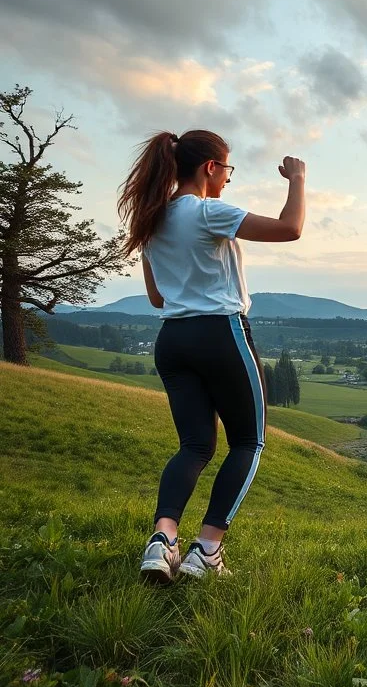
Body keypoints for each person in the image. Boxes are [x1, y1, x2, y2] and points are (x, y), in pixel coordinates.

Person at [118, 129, 306, 583]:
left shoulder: (151, 221)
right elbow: (290, 229)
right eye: (227, 169)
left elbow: (158, 299)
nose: (227, 179)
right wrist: (297, 180)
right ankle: (208, 549)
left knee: (195, 446)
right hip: (221, 334)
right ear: (209, 168)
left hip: (173, 341)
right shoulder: (207, 212)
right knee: (247, 442)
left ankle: (163, 541)